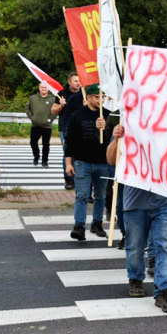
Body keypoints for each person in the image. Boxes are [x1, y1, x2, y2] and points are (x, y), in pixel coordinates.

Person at [106, 128, 167, 312]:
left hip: (165, 200)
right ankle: (136, 279)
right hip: (135, 201)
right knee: (135, 245)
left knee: (165, 246)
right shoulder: (130, 125)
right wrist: (116, 139)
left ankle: (164, 290)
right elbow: (111, 160)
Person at [64, 84, 117, 241]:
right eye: (97, 97)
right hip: (82, 162)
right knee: (82, 195)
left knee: (100, 195)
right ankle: (79, 226)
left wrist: (106, 128)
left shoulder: (109, 115)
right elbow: (70, 141)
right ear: (89, 98)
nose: (101, 100)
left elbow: (115, 141)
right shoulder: (77, 116)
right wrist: (68, 162)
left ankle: (97, 223)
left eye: (103, 97)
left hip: (103, 162)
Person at [55, 72, 82, 189]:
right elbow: (53, 111)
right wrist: (60, 105)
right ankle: (68, 179)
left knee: (79, 153)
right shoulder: (62, 94)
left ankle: (78, 179)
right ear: (69, 82)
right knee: (68, 153)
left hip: (81, 128)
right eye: (76, 81)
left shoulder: (84, 94)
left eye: (79, 81)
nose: (78, 83)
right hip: (65, 128)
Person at [25, 82, 62, 168]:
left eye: (45, 87)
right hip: (35, 125)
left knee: (46, 144)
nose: (43, 89)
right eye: (42, 87)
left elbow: (56, 111)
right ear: (39, 88)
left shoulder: (53, 99)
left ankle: (45, 160)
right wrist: (32, 117)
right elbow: (27, 108)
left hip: (47, 126)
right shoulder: (33, 98)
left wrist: (49, 120)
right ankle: (36, 156)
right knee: (33, 142)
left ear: (48, 89)